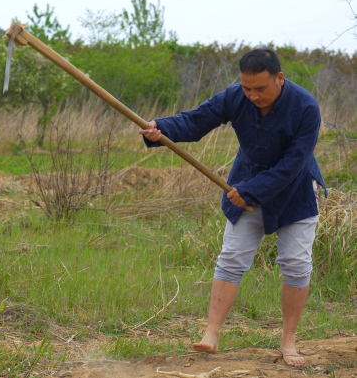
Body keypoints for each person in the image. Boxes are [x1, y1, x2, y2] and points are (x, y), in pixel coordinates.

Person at [139, 48, 325, 368]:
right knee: (231, 259)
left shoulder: (306, 107)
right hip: (244, 187)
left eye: (260, 89)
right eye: (246, 88)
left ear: (279, 79)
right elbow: (197, 121)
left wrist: (252, 191)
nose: (252, 96)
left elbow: (293, 164)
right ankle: (211, 333)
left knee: (295, 263)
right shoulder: (234, 96)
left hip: (293, 193)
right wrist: (161, 129)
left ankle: (288, 341)